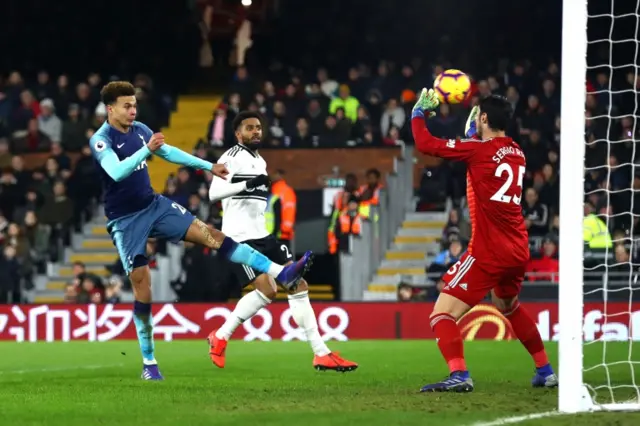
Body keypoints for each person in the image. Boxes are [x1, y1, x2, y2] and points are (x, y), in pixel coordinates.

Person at [90, 83, 313, 381]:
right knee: (142, 288)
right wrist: (147, 149)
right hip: (125, 221)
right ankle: (149, 362)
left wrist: (209, 166)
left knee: (212, 235)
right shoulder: (101, 140)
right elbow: (116, 172)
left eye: (134, 106)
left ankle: (281, 272)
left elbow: (168, 153)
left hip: (154, 205)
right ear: (110, 109)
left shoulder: (141, 129)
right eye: (127, 106)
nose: (133, 111)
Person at [411, 89, 557, 392]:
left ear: (485, 118)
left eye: (478, 116)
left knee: (441, 313)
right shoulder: (517, 152)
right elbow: (487, 161)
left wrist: (417, 114)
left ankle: (459, 375)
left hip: (489, 250)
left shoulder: (477, 151)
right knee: (508, 305)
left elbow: (426, 144)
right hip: (518, 248)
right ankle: (545, 370)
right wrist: (474, 137)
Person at [207, 111, 357, 372]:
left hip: (264, 236)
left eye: (258, 128)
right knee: (268, 291)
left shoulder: (260, 161)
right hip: (239, 240)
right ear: (237, 134)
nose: (256, 132)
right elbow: (213, 192)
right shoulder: (230, 157)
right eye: (249, 128)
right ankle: (220, 336)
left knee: (298, 285)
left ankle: (321, 353)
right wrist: (248, 184)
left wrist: (253, 182)